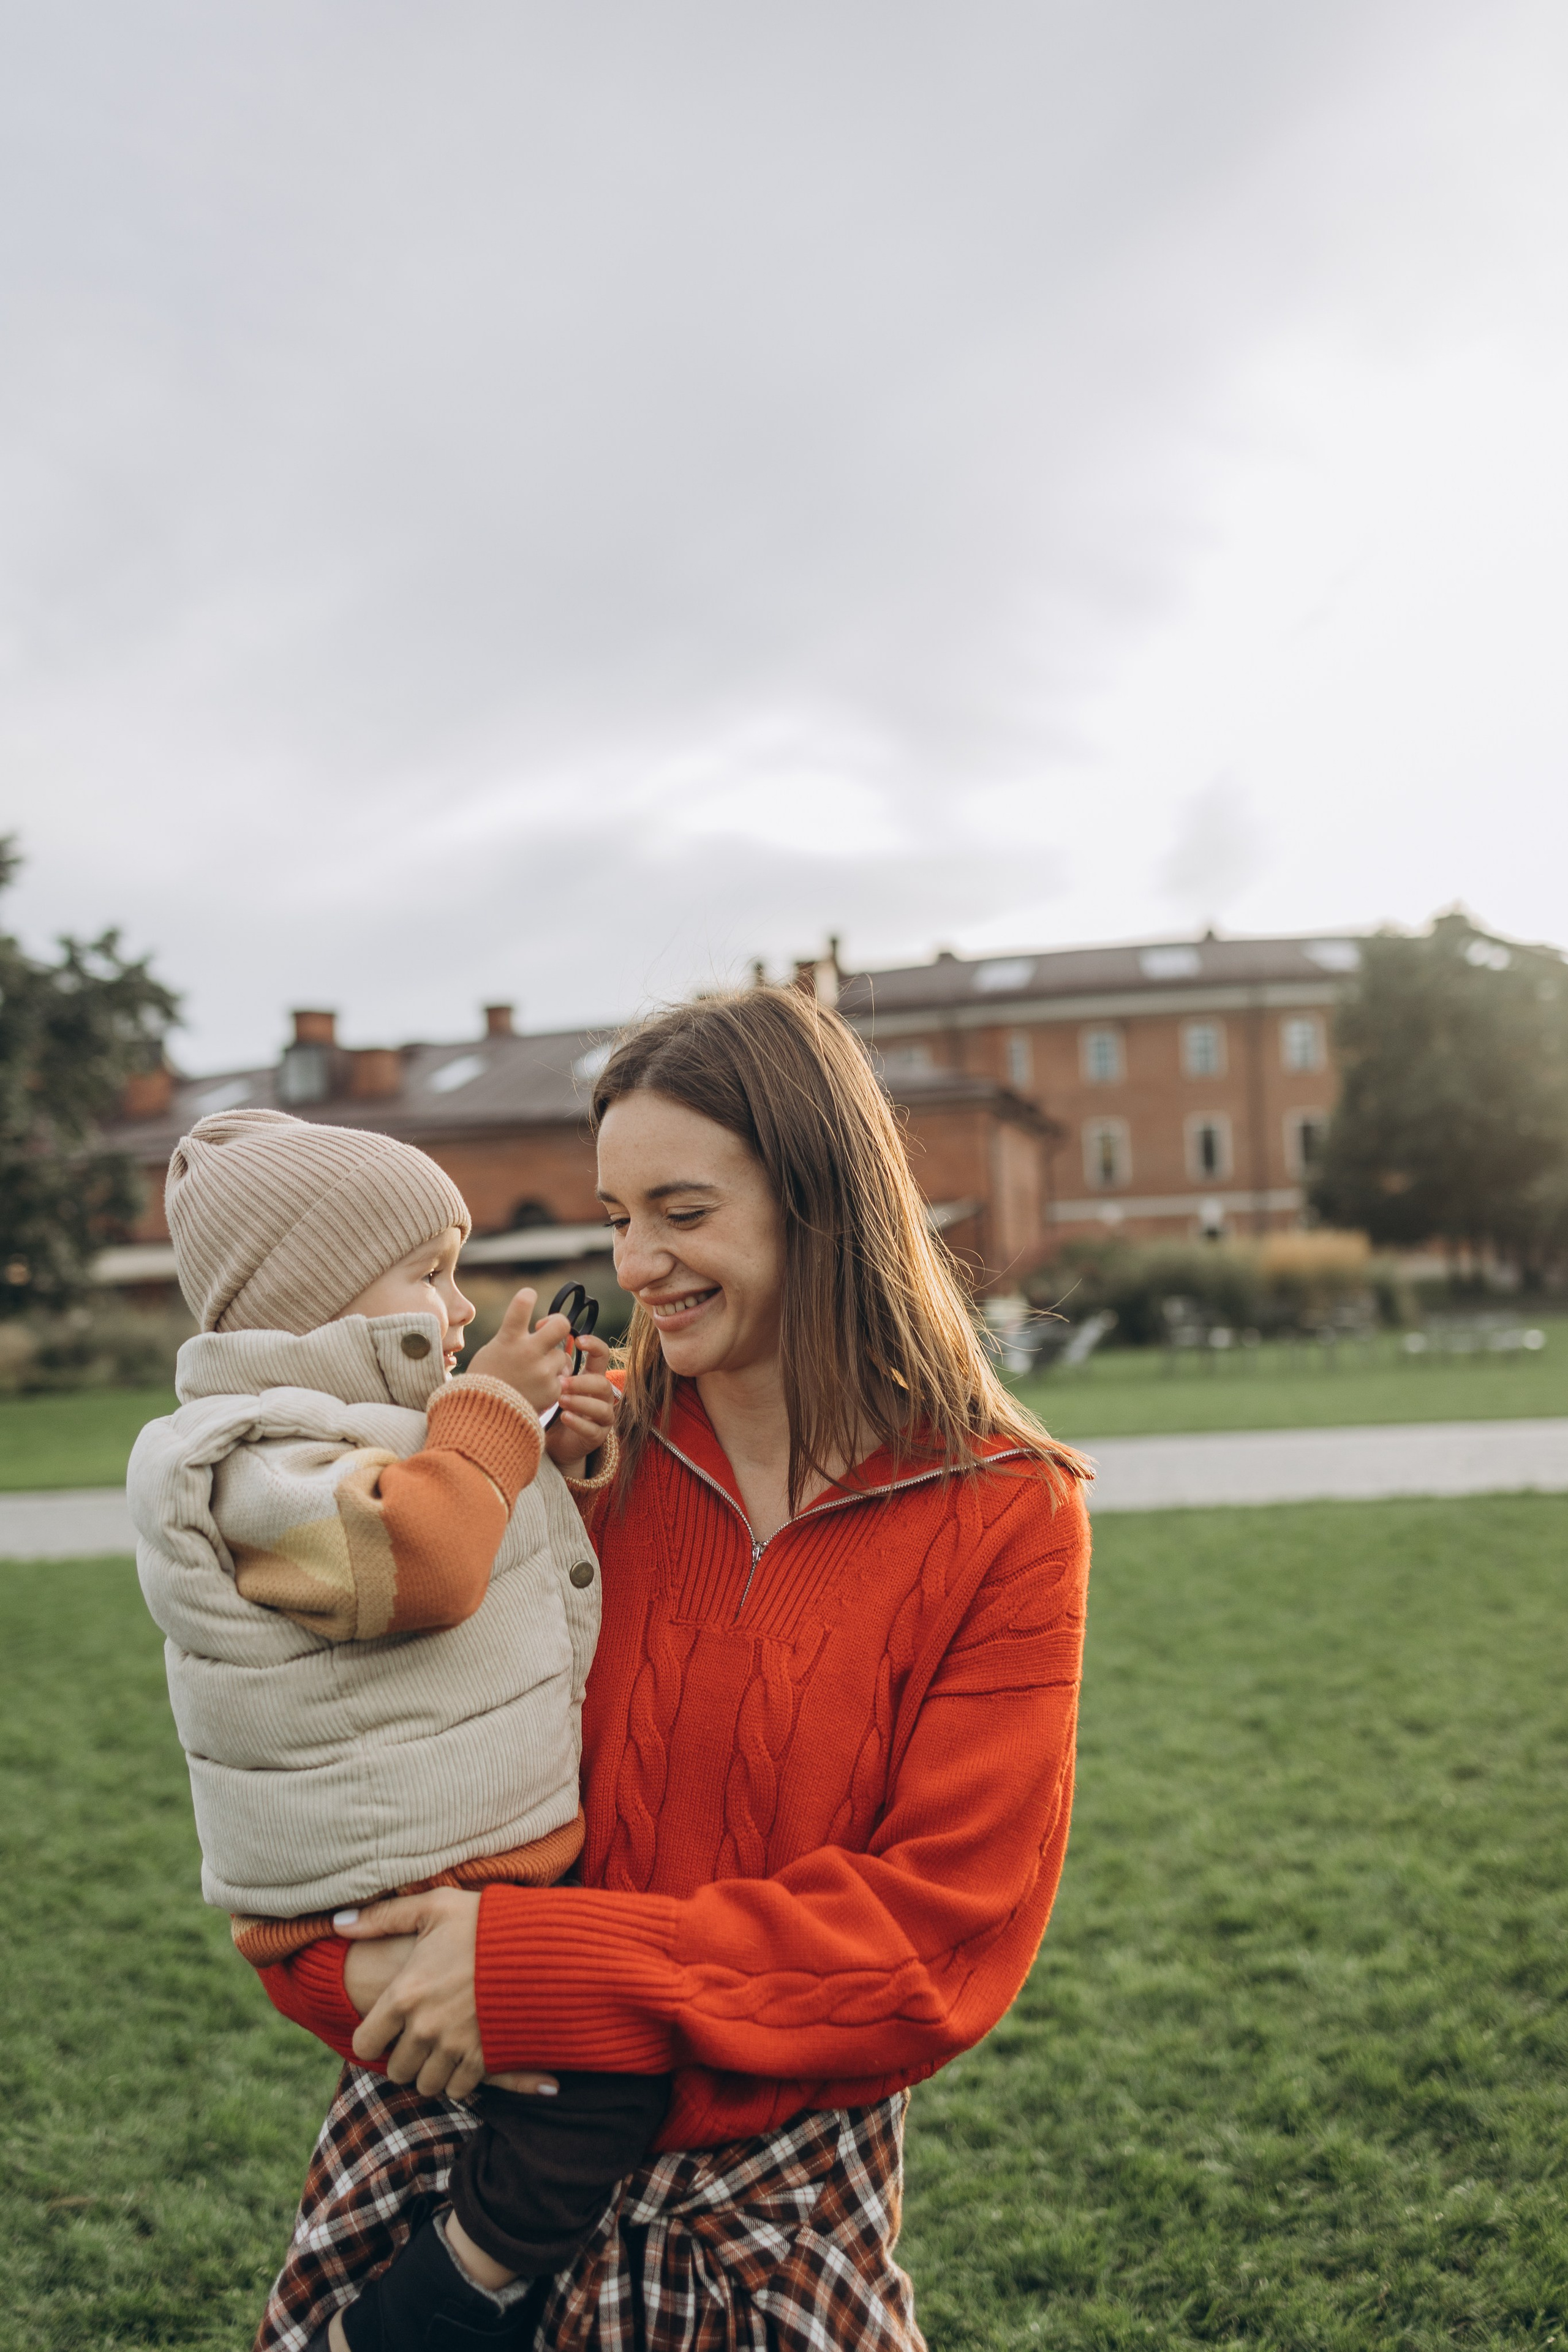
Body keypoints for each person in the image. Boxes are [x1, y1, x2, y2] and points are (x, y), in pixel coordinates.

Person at [255, 987, 1093, 2352]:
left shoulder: (1007, 1517)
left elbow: (938, 1938)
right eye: (618, 1215)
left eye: (682, 1213)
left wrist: (538, 1966)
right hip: (463, 2170)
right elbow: (333, 1797)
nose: (636, 1262)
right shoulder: (550, 1474)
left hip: (772, 2218)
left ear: (822, 1200)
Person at [129, 1108, 668, 2350]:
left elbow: (494, 1562)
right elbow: (417, 1565)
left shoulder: (378, 1438)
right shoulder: (245, 1466)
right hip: (344, 1919)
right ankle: (435, 2309)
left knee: (590, 2079)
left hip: (436, 1882)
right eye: (428, 1270)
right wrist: (491, 1415)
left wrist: (554, 1456)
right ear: (312, 1297)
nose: (462, 1301)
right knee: (605, 2083)